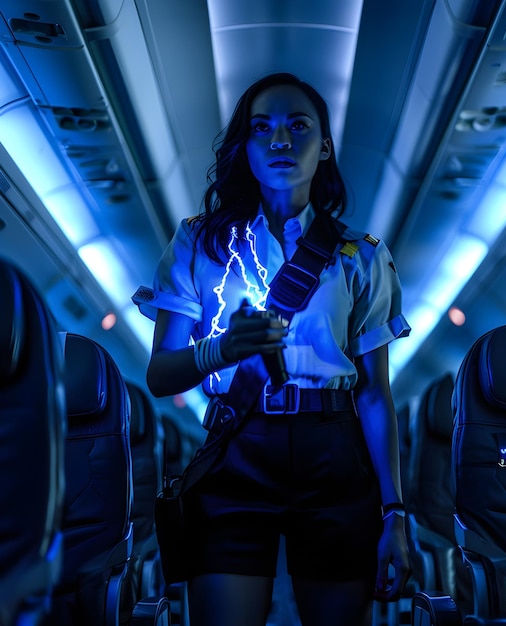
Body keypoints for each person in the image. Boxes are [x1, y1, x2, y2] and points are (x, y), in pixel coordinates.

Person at [134, 72, 411, 626]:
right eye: (262, 128)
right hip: (238, 444)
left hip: (332, 450)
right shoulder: (198, 242)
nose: (280, 140)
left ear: (325, 145)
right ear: (246, 147)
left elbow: (375, 394)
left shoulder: (362, 256)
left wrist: (395, 514)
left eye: (298, 126)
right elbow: (161, 375)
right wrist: (223, 350)